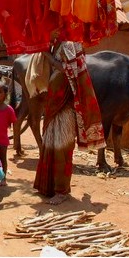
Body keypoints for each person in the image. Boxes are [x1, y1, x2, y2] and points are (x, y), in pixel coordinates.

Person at [33, 41, 106, 205]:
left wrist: (46, 54)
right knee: (50, 144)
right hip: (53, 104)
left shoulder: (69, 44)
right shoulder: (56, 44)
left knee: (61, 149)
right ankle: (49, 187)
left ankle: (62, 191)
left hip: (65, 106)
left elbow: (69, 70)